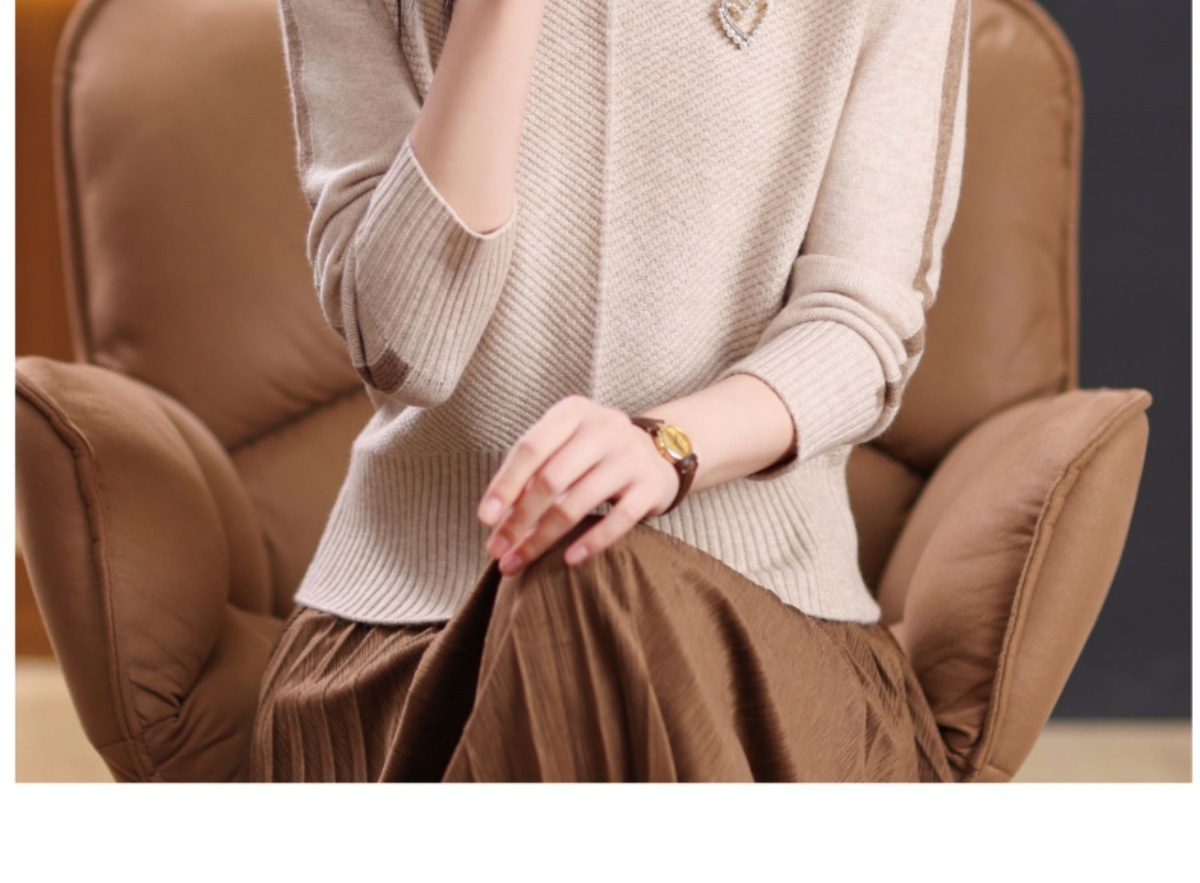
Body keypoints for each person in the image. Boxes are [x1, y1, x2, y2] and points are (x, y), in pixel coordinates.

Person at [250, 0, 971, 783]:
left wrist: (665, 447)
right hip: (412, 634)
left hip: (760, 630)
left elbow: (863, 326)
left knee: (585, 583)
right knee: (572, 589)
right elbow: (406, 348)